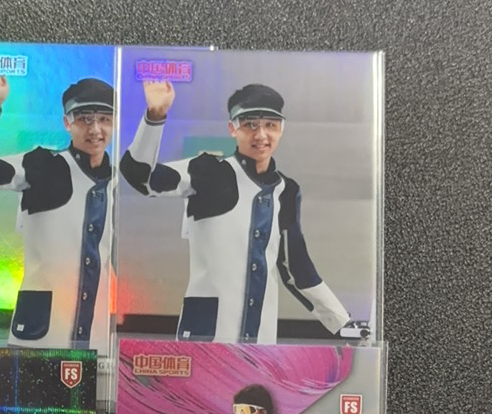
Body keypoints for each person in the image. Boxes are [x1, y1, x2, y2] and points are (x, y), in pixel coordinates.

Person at [120, 80, 369, 344]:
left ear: (281, 129)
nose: (261, 135)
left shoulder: (286, 190)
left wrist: (343, 325)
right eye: (250, 124)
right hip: (207, 335)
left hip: (261, 343)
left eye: (270, 125)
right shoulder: (206, 171)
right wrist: (155, 116)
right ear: (233, 128)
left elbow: (296, 268)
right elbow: (140, 176)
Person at [0, 75, 115, 350]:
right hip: (40, 333)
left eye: (104, 119)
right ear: (67, 122)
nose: (95, 129)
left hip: (96, 337)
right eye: (85, 119)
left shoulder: (118, 181)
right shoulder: (42, 165)